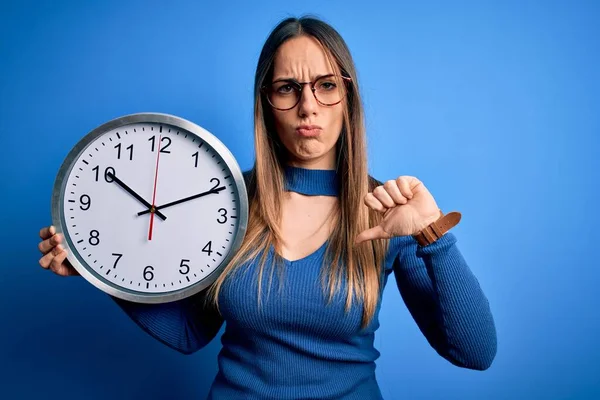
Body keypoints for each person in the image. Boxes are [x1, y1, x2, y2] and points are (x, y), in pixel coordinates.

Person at [37, 16, 497, 400]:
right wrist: (99, 271)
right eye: (286, 88)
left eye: (326, 85)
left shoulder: (388, 210)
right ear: (266, 102)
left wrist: (432, 235)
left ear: (348, 99)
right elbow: (189, 334)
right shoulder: (222, 201)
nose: (307, 107)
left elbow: (475, 353)